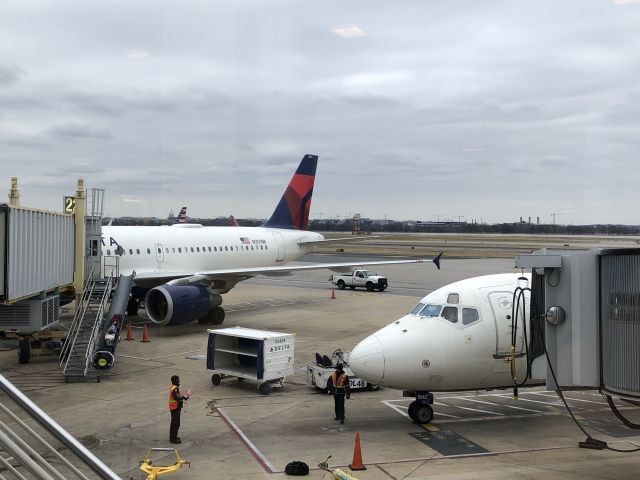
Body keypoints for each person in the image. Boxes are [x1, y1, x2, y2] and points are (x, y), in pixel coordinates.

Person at [169, 375, 190, 444]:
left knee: (174, 423)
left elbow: (178, 396)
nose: (179, 381)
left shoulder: (174, 387)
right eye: (178, 380)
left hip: (175, 408)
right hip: (175, 408)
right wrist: (184, 397)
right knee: (176, 424)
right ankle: (173, 439)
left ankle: (172, 437)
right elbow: (177, 397)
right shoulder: (175, 388)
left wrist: (184, 397)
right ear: (175, 381)